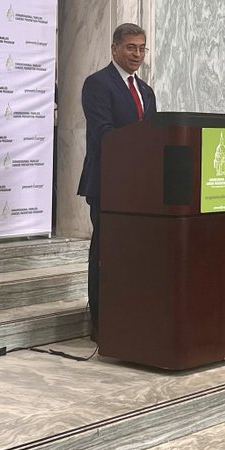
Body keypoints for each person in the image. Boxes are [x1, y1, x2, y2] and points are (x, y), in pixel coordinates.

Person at [78, 23, 156, 339]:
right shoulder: (97, 84)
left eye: (141, 48)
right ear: (114, 49)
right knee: (105, 253)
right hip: (107, 184)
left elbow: (154, 136)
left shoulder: (146, 91)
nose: (137, 54)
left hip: (138, 188)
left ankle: (129, 315)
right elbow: (104, 134)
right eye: (130, 48)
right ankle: (101, 323)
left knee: (132, 254)